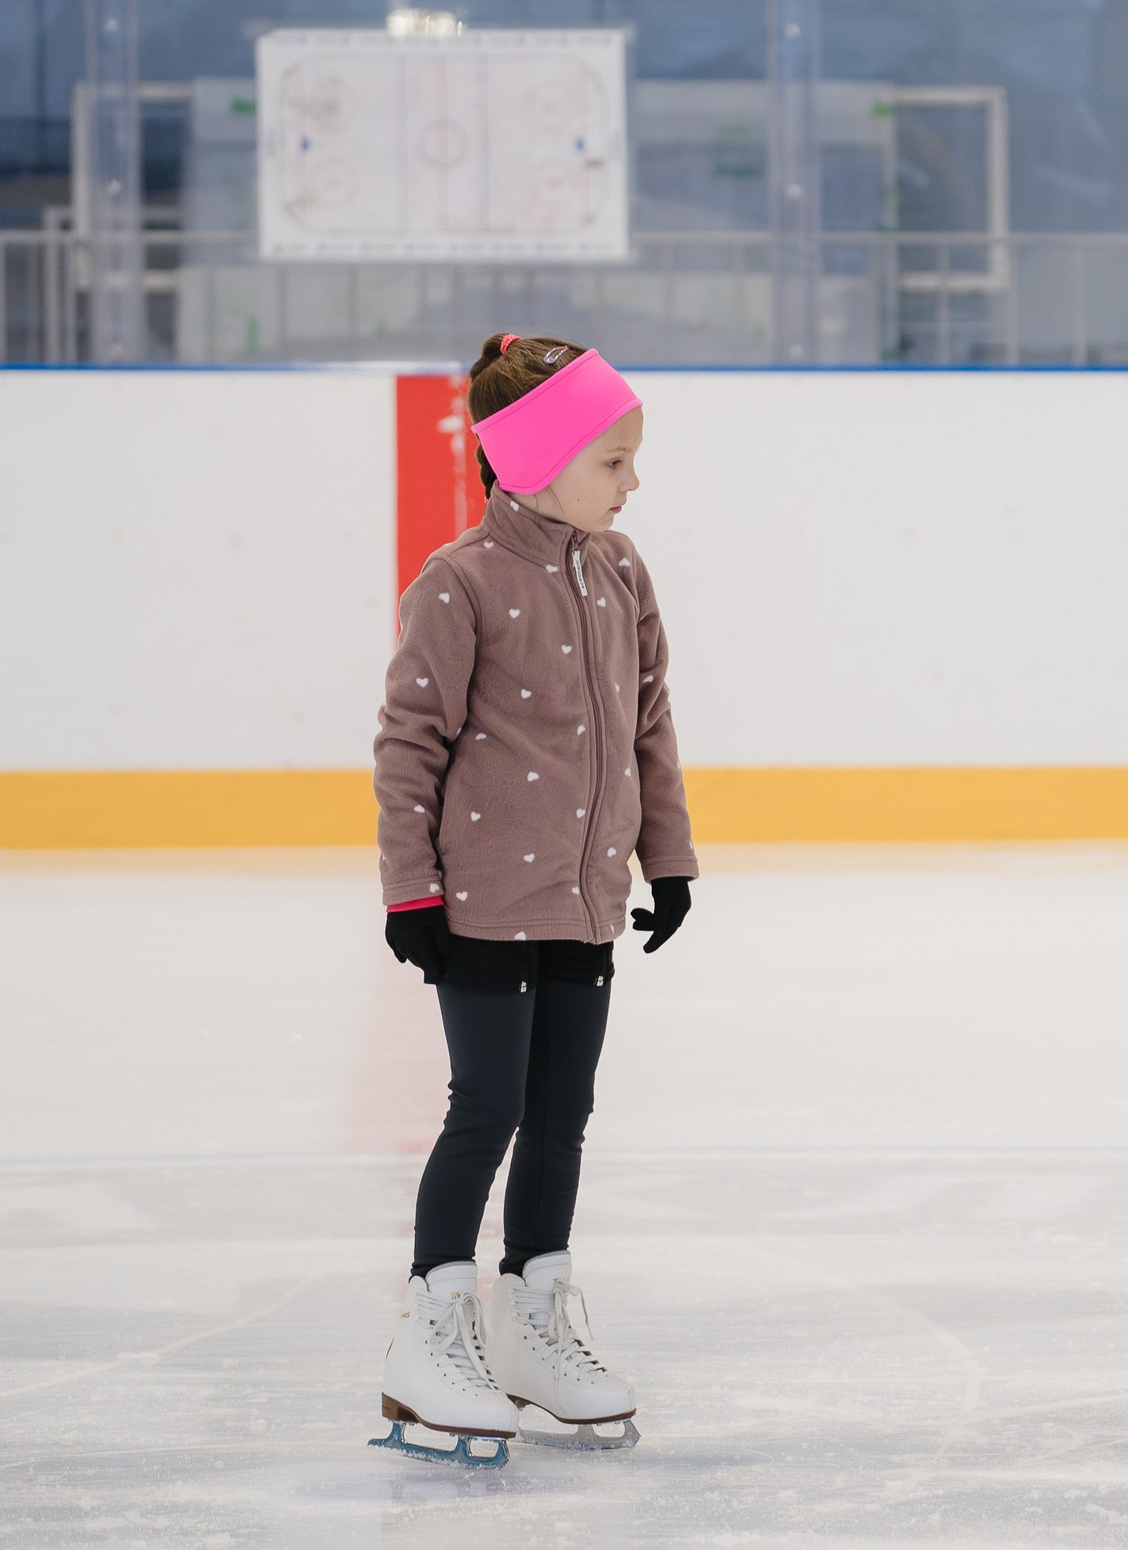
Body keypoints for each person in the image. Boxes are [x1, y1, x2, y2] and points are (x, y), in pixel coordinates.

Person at [368, 332, 698, 1465]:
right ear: (536, 462)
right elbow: (408, 744)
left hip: (587, 897)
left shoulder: (622, 571)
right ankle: (433, 1325)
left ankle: (534, 1321)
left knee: (562, 1113)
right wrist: (410, 889)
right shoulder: (459, 580)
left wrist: (669, 858)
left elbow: (649, 724)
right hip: (484, 902)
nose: (633, 481)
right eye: (614, 460)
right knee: (487, 1109)